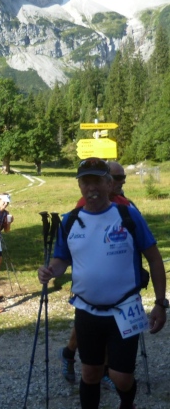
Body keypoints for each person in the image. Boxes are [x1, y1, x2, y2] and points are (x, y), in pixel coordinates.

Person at [38, 157, 167, 409]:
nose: (91, 187)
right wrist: (51, 270)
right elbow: (62, 259)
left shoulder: (128, 215)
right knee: (90, 374)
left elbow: (155, 259)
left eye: (97, 180)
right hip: (87, 310)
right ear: (79, 186)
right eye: (85, 182)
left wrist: (160, 302)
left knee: (122, 377)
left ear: (109, 184)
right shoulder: (70, 221)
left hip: (125, 308)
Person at [59, 161, 134, 388]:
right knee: (90, 324)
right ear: (108, 180)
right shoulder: (85, 204)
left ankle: (110, 371)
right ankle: (71, 354)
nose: (121, 182)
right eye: (118, 178)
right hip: (90, 288)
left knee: (114, 334)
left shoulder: (126, 204)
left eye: (123, 178)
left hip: (123, 292)